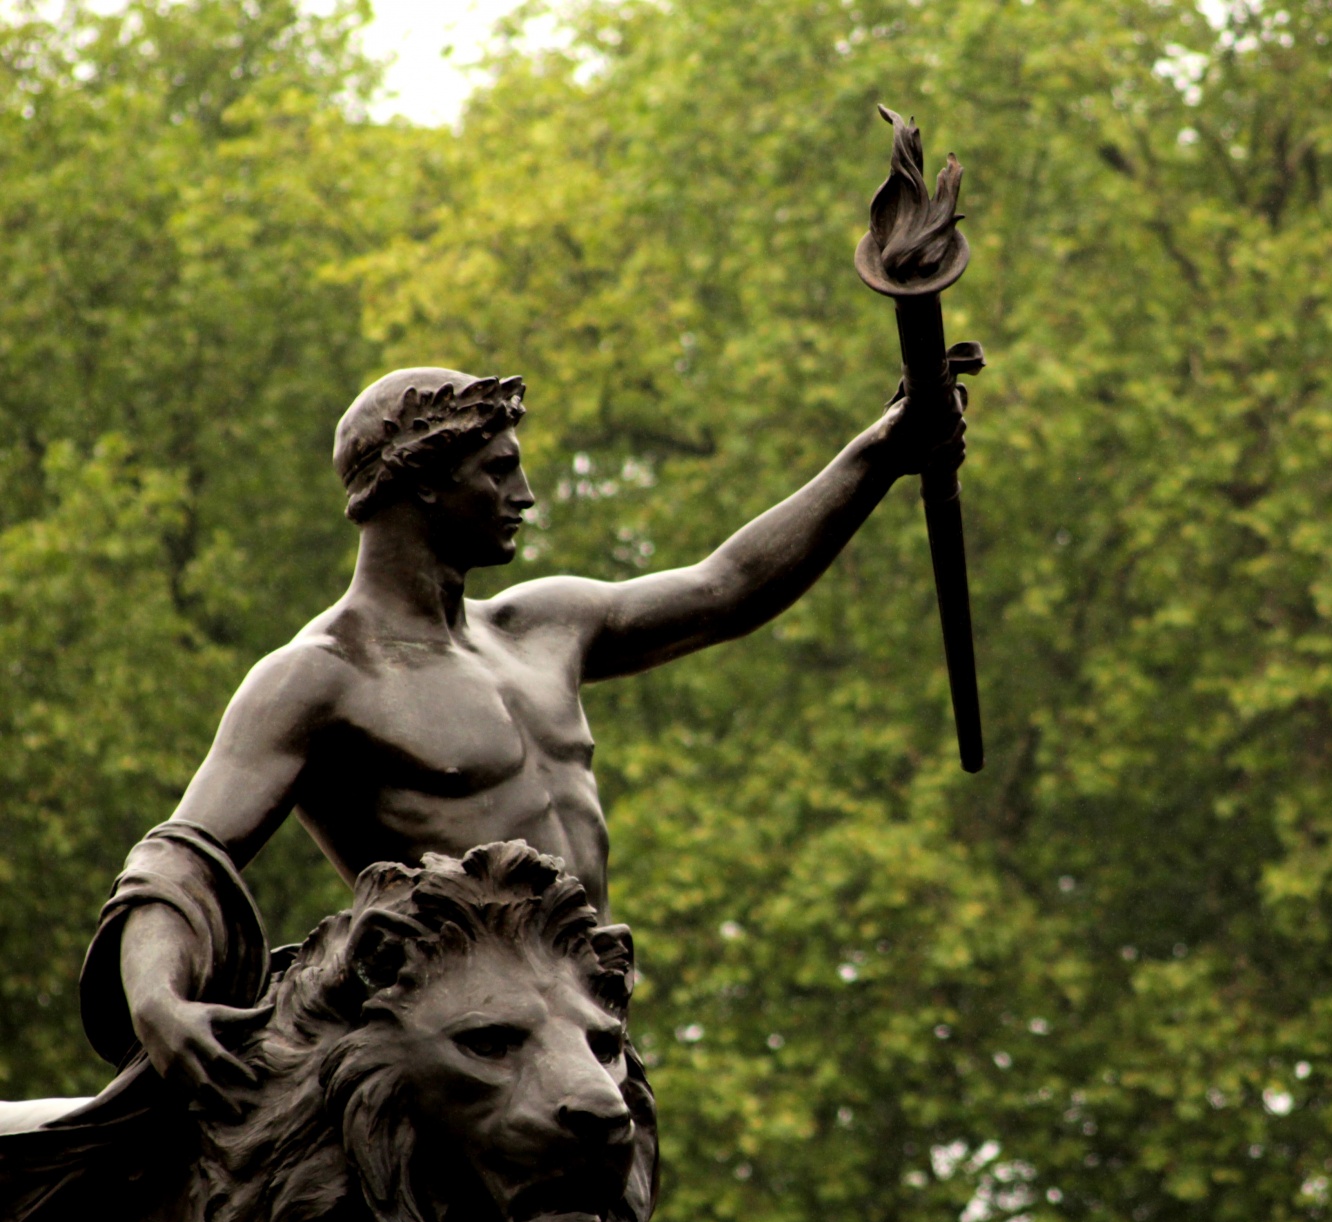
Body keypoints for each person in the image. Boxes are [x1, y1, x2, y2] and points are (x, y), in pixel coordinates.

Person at [78, 366, 966, 1114]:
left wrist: (879, 451)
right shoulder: (321, 675)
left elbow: (727, 585)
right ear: (424, 478)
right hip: (457, 1053)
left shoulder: (547, 624)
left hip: (584, 1019)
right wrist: (156, 998)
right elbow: (182, 854)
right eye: (498, 471)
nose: (525, 495)